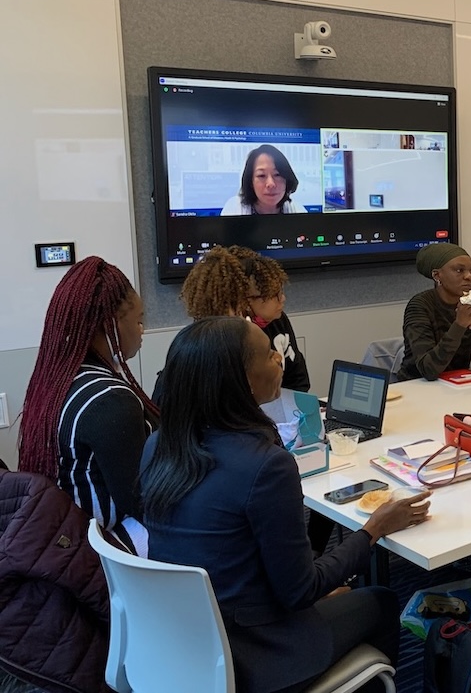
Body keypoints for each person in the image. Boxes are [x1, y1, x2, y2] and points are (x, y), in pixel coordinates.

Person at [140, 317, 431, 693]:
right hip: (256, 654)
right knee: (381, 600)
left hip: (183, 641)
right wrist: (373, 529)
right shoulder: (265, 466)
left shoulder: (158, 446)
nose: (281, 359)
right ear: (242, 378)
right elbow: (299, 592)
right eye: (269, 354)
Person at [18, 257, 157, 555]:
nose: (143, 330)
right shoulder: (110, 399)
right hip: (97, 551)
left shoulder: (56, 379)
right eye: (139, 320)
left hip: (56, 540)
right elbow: (141, 502)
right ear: (112, 324)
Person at [179, 245, 309, 391]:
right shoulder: (216, 341)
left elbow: (298, 379)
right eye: (274, 294)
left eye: (281, 291)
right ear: (244, 301)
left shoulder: (278, 320)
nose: (283, 298)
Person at [396, 242, 471, 382]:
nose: (469, 277)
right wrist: (459, 324)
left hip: (457, 384)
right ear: (437, 275)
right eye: (459, 270)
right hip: (416, 386)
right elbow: (428, 370)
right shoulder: (420, 305)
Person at [220, 144, 303, 215]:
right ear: (250, 182)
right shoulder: (233, 209)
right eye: (261, 175)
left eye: (277, 175)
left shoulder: (297, 210)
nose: (271, 184)